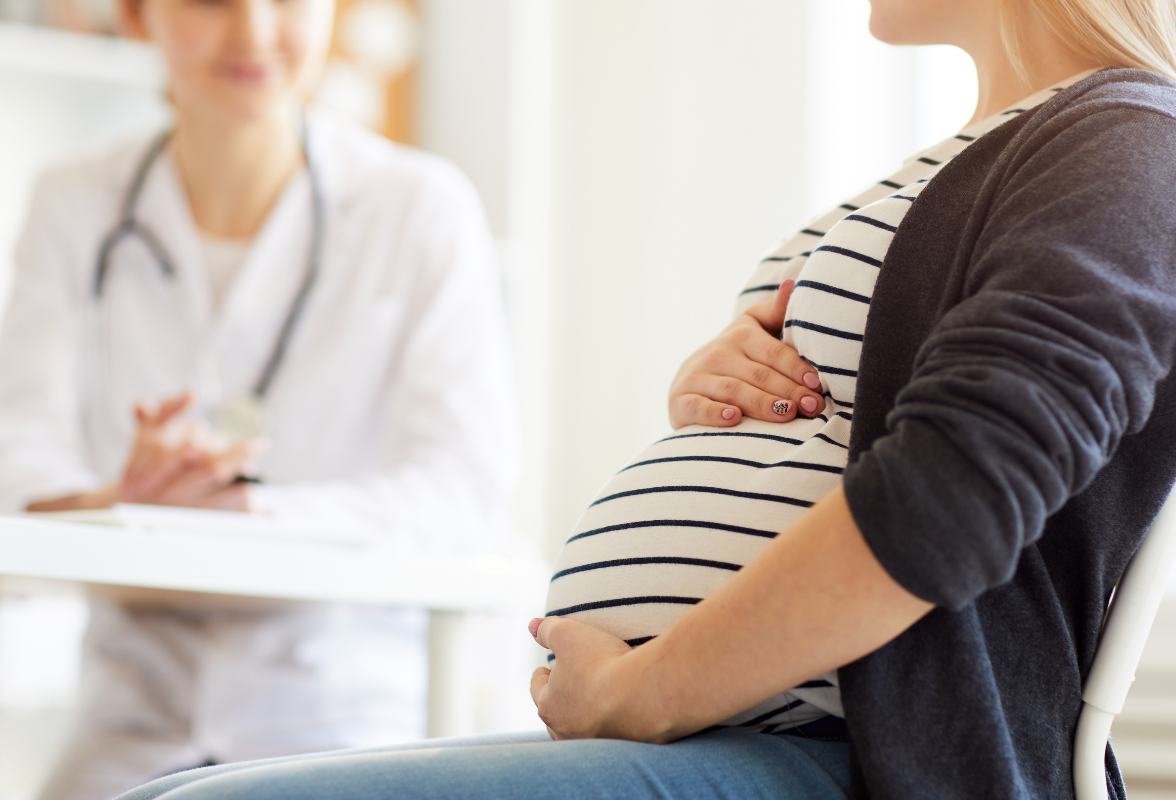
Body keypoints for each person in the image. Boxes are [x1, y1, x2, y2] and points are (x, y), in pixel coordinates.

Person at [114, 0, 1176, 797]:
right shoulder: (969, 157)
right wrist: (714, 395)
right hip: (733, 731)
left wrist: (650, 688)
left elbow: (955, 493)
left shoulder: (1127, 139)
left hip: (860, 753)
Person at [0, 0, 519, 794]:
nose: (256, 31)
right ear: (134, 14)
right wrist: (117, 502)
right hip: (131, 731)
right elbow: (3, 465)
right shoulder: (75, 203)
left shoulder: (419, 209)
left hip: (344, 724)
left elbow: (464, 489)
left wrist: (249, 518)